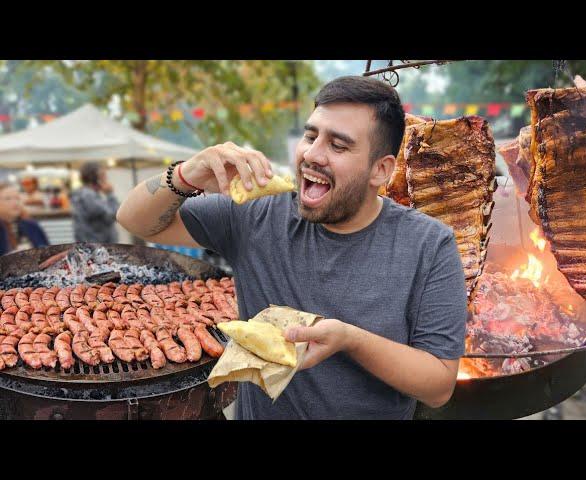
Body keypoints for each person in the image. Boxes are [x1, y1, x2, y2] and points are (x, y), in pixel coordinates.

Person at [117, 76, 468, 420]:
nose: (312, 155)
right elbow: (134, 219)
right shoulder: (256, 213)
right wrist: (184, 176)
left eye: (339, 145)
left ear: (381, 170)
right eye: (310, 135)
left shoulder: (428, 244)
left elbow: (438, 386)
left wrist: (350, 339)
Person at [71, 162, 120, 243]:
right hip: (98, 248)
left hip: (96, 246)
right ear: (94, 178)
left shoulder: (85, 194)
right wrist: (110, 194)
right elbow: (115, 215)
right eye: (103, 176)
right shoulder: (88, 196)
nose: (106, 179)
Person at [0, 181, 49, 256]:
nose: (15, 202)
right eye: (8, 199)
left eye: (17, 198)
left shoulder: (31, 225)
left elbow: (48, 253)